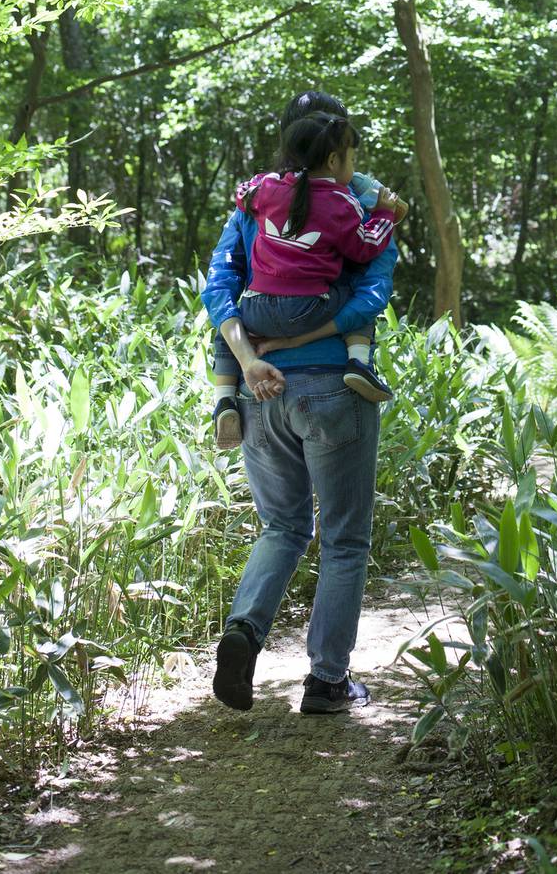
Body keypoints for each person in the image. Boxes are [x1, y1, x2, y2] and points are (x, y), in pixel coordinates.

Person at [201, 90, 399, 716]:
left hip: (258, 393)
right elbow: (372, 293)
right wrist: (311, 336)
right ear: (337, 153)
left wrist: (254, 354)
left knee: (283, 525)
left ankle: (243, 632)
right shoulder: (358, 204)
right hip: (331, 388)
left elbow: (220, 288)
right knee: (343, 540)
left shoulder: (254, 206)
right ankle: (327, 682)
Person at [210, 110, 404, 450]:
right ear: (333, 159)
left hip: (257, 314)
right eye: (353, 158)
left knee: (228, 319)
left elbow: (242, 198)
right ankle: (359, 362)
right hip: (312, 316)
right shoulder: (342, 201)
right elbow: (365, 248)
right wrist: (385, 213)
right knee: (353, 292)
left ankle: (224, 397)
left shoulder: (266, 189)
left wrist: (261, 181)